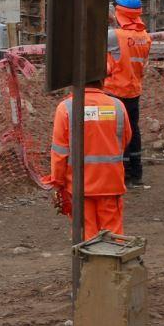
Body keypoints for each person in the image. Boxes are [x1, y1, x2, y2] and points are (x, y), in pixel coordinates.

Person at [48, 77, 132, 241]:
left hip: (79, 186)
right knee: (114, 237)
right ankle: (112, 258)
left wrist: (58, 183)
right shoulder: (117, 106)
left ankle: (90, 258)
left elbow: (59, 152)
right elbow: (125, 139)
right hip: (110, 183)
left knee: (87, 237)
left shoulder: (66, 108)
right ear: (102, 79)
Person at [106, 0, 152, 186]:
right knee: (133, 130)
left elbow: (91, 39)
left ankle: (122, 173)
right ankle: (136, 171)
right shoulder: (145, 36)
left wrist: (109, 21)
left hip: (115, 92)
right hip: (134, 91)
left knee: (118, 132)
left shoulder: (115, 36)